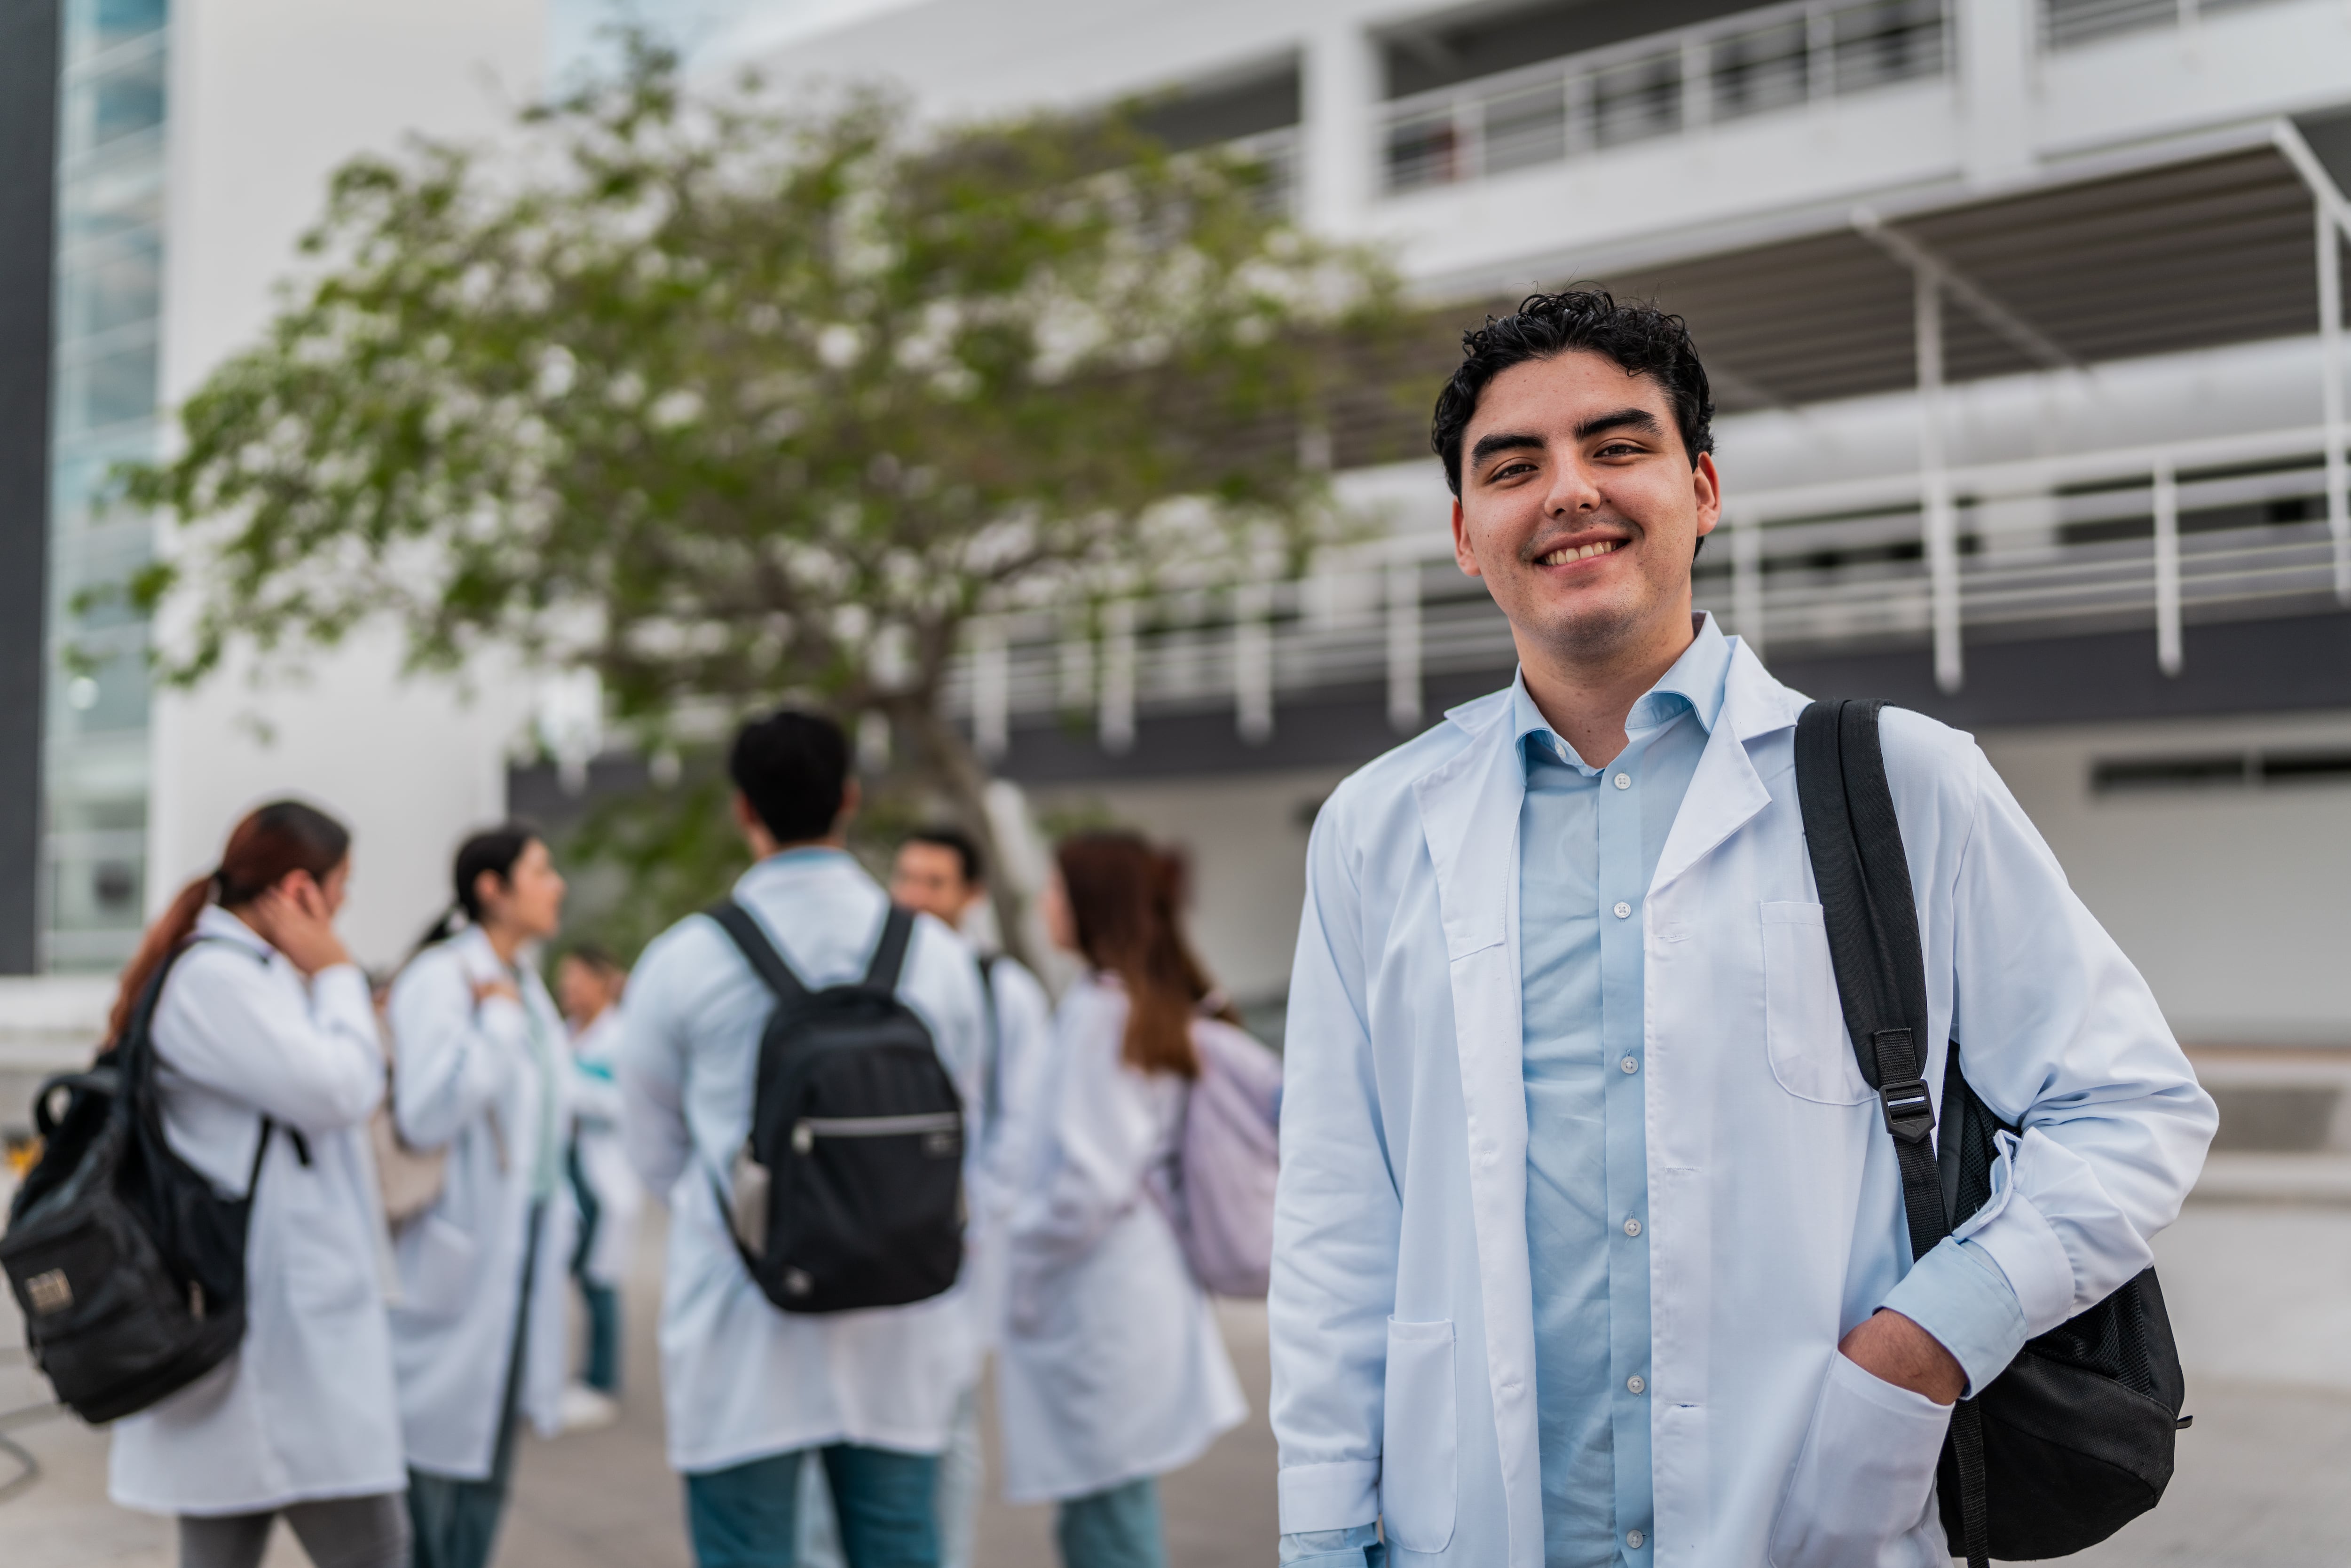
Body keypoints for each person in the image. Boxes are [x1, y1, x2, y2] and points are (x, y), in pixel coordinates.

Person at [1268, 290, 2220, 1566]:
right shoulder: (1376, 829)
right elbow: (1337, 1218)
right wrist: (1325, 1533)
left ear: (1703, 488)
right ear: (1463, 531)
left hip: (1815, 1515)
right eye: (1514, 466)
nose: (1567, 492)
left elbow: (2131, 1106)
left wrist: (1922, 1346)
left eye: (1618, 446)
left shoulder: (1900, 782)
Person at [618, 709, 991, 1568]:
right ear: (850, 801)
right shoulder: (933, 956)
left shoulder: (684, 960)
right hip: (902, 1318)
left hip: (741, 1317)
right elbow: (966, 1116)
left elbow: (656, 1154)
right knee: (899, 1544)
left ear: (743, 810)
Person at [105, 800, 410, 1568]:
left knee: (226, 1544)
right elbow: (339, 1090)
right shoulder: (217, 981)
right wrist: (339, 973)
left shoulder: (245, 975)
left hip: (272, 1328)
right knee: (374, 1550)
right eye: (341, 889)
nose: (343, 909)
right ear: (302, 891)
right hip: (278, 1332)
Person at [998, 831, 1248, 1568]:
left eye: (1054, 889)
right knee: (1105, 1503)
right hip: (1128, 1284)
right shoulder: (1128, 1001)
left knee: (1106, 1513)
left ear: (1089, 904)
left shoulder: (1105, 1014)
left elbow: (1087, 1185)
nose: (1043, 903)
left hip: (1103, 1292)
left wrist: (1019, 1243)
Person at [386, 823, 577, 1568]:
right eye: (541, 868)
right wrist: (495, 1023)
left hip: (521, 1237)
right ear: (492, 889)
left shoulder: (525, 982)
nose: (556, 883)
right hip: (458, 1242)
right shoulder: (446, 978)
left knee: (492, 1443)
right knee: (431, 1453)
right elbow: (427, 1110)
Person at [556, 943, 638, 1426]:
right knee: (575, 1273)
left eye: (577, 978)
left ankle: (602, 1380)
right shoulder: (568, 1033)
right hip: (571, 1164)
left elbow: (621, 1103)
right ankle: (581, 1373)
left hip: (605, 1171)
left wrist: (566, 1088)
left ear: (602, 981)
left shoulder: (622, 1038)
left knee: (600, 1277)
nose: (569, 988)